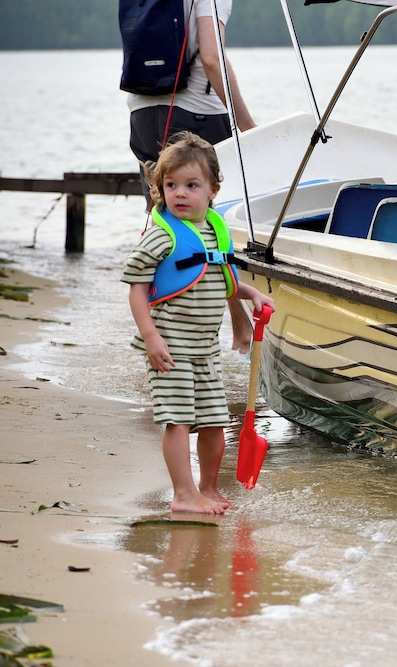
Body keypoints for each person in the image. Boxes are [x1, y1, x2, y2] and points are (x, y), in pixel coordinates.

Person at [122, 131, 274, 515]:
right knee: (177, 420)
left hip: (205, 350)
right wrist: (151, 337)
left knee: (213, 422)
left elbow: (220, 278)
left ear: (213, 190)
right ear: (160, 191)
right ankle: (184, 495)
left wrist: (252, 294)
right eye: (171, 185)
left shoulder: (211, 231)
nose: (180, 193)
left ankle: (207, 487)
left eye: (191, 185)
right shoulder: (161, 238)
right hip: (170, 348)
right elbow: (137, 291)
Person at [126, 0, 256, 353]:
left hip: (142, 112)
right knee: (214, 225)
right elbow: (211, 57)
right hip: (197, 114)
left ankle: (158, 334)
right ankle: (238, 332)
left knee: (164, 224)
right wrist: (247, 125)